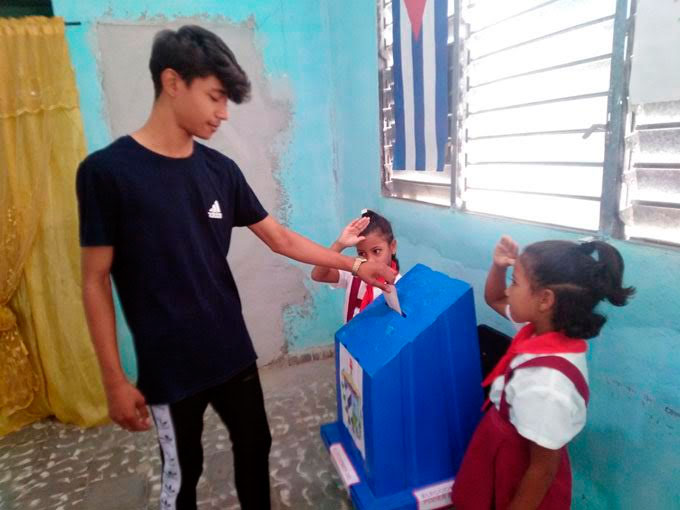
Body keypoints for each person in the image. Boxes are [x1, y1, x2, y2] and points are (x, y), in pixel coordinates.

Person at [75, 25, 395, 510]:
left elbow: (280, 238)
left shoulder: (220, 171)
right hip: (168, 365)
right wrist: (114, 380)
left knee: (255, 445)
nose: (223, 114)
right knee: (183, 473)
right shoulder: (107, 174)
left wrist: (354, 264)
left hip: (231, 350)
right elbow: (94, 279)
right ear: (172, 82)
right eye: (215, 97)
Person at [452, 236, 634, 510]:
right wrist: (499, 267)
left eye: (515, 282)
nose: (510, 291)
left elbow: (542, 471)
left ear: (545, 299)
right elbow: (494, 297)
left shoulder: (549, 384)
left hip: (518, 478)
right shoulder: (538, 330)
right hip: (500, 452)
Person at [311, 209, 401, 323]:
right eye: (362, 254)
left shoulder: (400, 285)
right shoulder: (354, 272)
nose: (370, 260)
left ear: (392, 247)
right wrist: (339, 244)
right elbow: (317, 275)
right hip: (347, 339)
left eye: (377, 251)